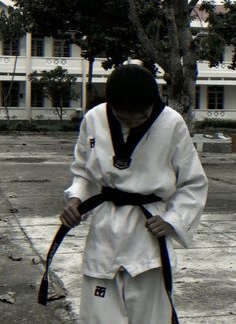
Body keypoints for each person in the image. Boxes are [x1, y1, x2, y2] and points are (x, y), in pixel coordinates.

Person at [60, 64, 208, 324]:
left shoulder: (171, 123)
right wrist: (76, 200)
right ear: (110, 105)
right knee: (97, 317)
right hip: (105, 230)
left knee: (153, 318)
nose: (130, 122)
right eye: (122, 117)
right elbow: (83, 170)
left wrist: (172, 220)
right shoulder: (94, 118)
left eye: (138, 117)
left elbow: (193, 182)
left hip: (148, 231)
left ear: (153, 103)